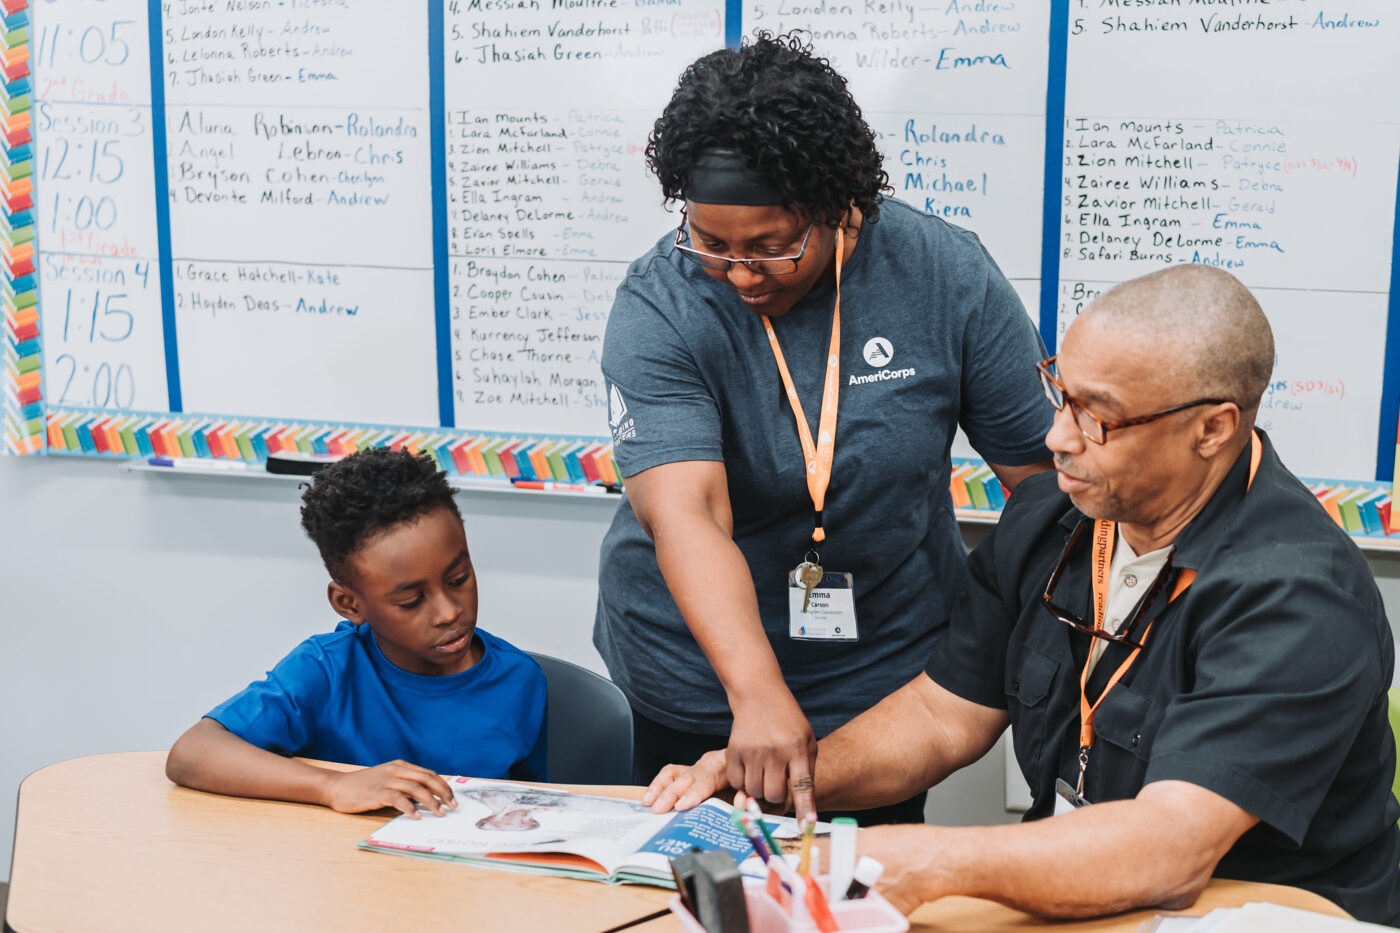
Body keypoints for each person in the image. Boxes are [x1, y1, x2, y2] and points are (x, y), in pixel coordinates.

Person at [643, 264, 1400, 924]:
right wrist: (772, 783)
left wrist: (929, 859)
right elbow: (941, 716)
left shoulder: (1298, 595)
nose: (1057, 438)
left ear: (1212, 428)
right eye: (1058, 393)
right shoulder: (1055, 518)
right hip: (1083, 898)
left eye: (1096, 415)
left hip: (1249, 912)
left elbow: (1171, 848)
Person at [595, 30, 1053, 821]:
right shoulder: (659, 303)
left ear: (842, 208)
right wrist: (757, 691)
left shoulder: (945, 275)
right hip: (698, 673)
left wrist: (1048, 641)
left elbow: (1042, 485)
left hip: (884, 677)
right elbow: (689, 513)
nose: (739, 274)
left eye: (772, 248)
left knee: (855, 889)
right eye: (711, 244)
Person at [166, 447, 548, 818]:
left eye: (459, 579)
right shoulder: (327, 670)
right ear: (350, 605)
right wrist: (332, 786)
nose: (449, 612)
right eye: (412, 601)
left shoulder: (520, 681)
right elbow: (192, 753)